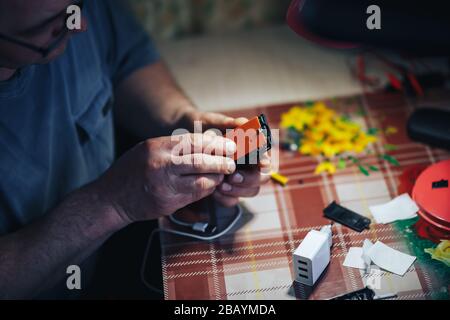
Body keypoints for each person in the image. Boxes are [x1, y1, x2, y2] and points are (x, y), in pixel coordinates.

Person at [0, 0, 270, 299]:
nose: (80, 24)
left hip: (116, 253)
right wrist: (112, 203)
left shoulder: (72, 12)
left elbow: (128, 60)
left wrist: (182, 121)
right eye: (53, 22)